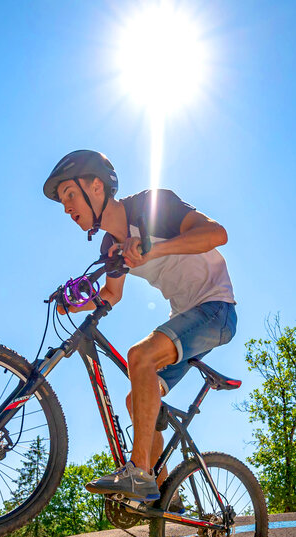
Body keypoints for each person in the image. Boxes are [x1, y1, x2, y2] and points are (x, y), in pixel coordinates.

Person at [43, 149, 237, 503]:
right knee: (137, 399)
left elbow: (216, 233)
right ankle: (165, 492)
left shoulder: (152, 206)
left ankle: (138, 472)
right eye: (62, 203)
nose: (67, 209)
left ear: (96, 187)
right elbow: (110, 294)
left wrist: (153, 250)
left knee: (140, 357)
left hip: (216, 308)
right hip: (186, 317)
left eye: (70, 195)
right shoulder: (110, 247)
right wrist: (74, 302)